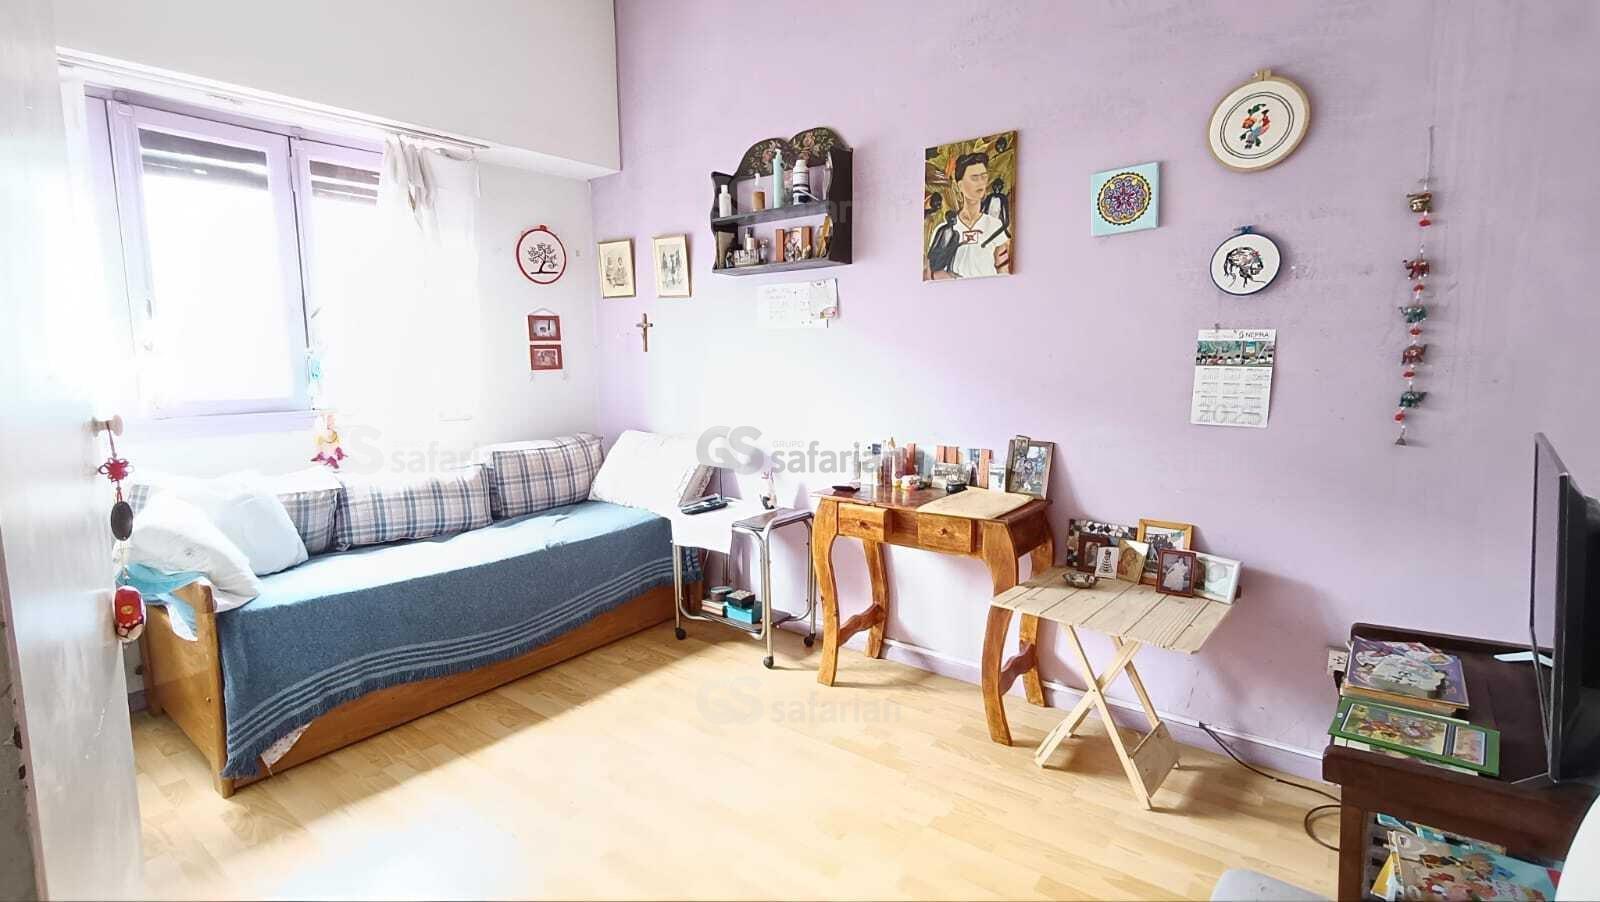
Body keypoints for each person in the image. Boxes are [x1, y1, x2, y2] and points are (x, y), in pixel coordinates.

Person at [925, 152, 1011, 279]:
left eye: (983, 177)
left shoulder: (995, 225)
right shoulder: (944, 229)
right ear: (960, 185)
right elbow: (931, 272)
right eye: (974, 178)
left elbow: (1003, 270)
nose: (980, 183)